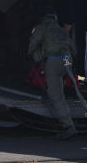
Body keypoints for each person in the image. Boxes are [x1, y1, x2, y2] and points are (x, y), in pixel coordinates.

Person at [28, 9, 77, 140]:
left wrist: (31, 55)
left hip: (53, 61)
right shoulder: (61, 30)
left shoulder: (41, 28)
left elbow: (33, 44)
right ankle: (67, 120)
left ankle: (67, 126)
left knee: (56, 95)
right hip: (67, 59)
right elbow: (74, 48)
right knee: (60, 90)